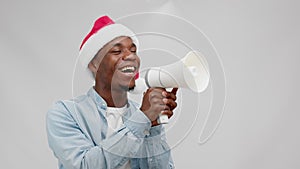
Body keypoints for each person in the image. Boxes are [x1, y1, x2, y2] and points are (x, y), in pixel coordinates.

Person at [46, 15, 178, 169]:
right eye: (117, 51)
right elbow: (84, 165)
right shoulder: (65, 113)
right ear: (94, 64)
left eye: (133, 50)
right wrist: (142, 119)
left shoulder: (143, 114)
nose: (130, 56)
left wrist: (154, 126)